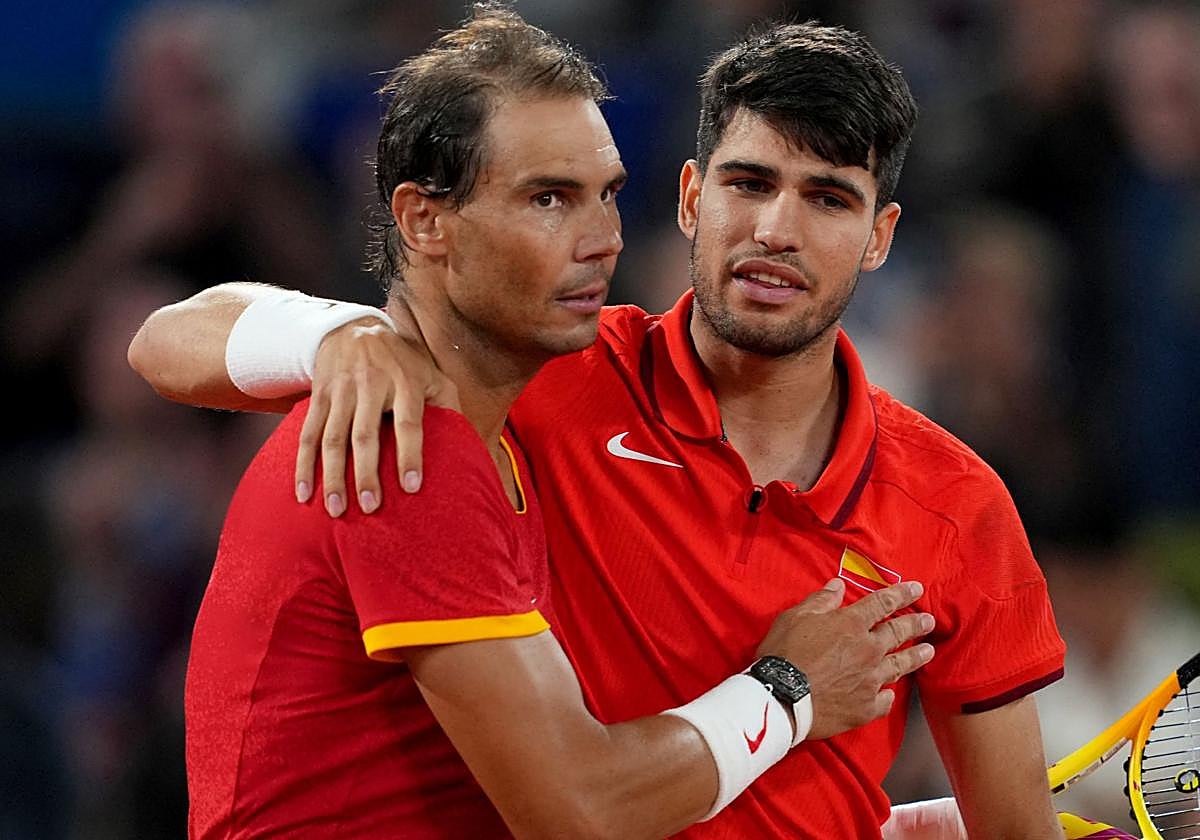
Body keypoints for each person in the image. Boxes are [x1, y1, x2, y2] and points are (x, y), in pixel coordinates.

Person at [130, 12, 1067, 839]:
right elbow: (164, 341)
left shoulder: (957, 504)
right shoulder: (451, 413)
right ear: (695, 197)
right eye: (749, 183)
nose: (777, 229)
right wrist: (340, 331)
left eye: (827, 198)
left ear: (880, 235)